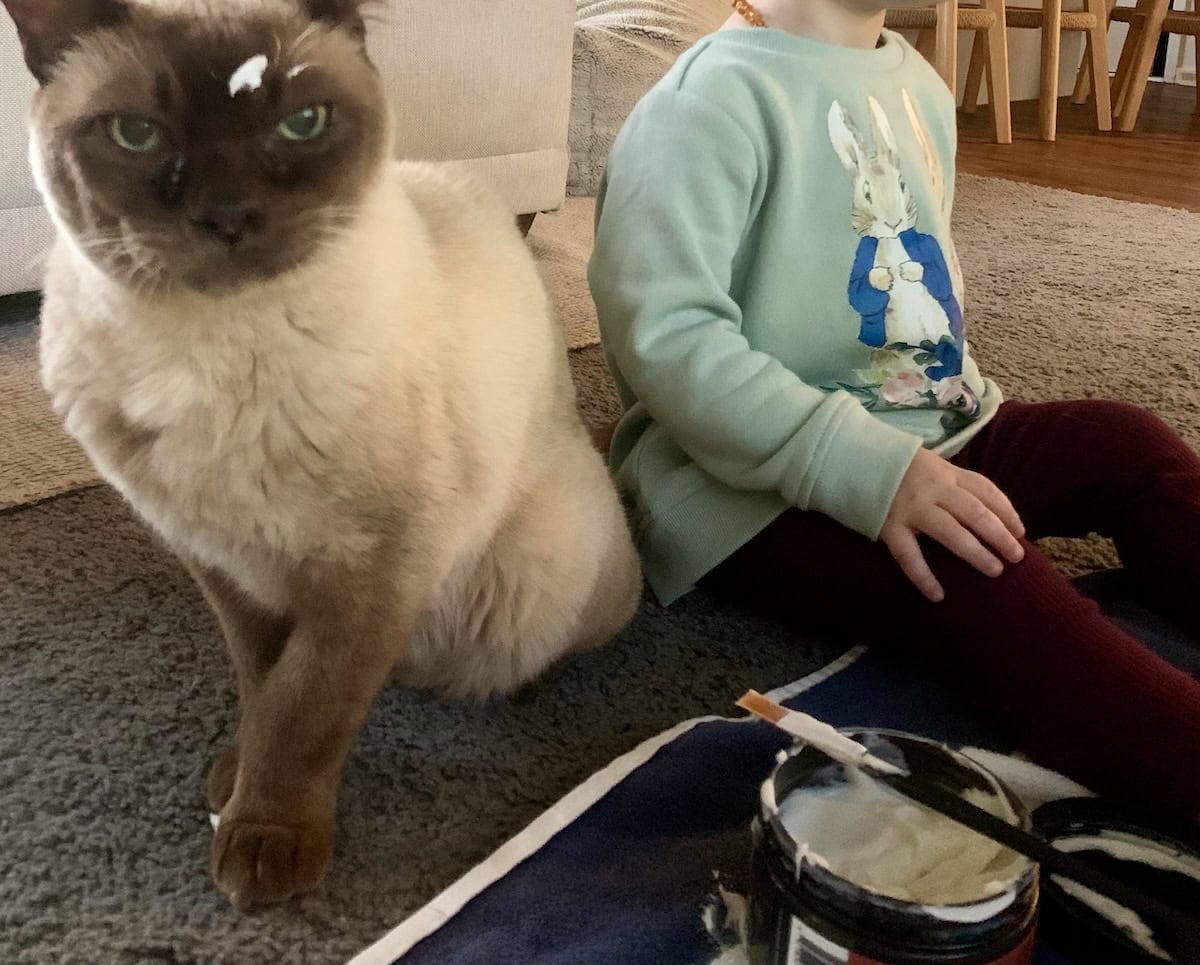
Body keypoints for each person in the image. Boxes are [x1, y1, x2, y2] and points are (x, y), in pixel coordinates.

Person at [588, 0, 1200, 818]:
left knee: (1130, 444)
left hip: (929, 424)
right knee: (988, 574)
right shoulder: (706, 102)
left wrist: (949, 422)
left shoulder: (918, 83)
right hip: (749, 482)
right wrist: (866, 468)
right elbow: (666, 338)